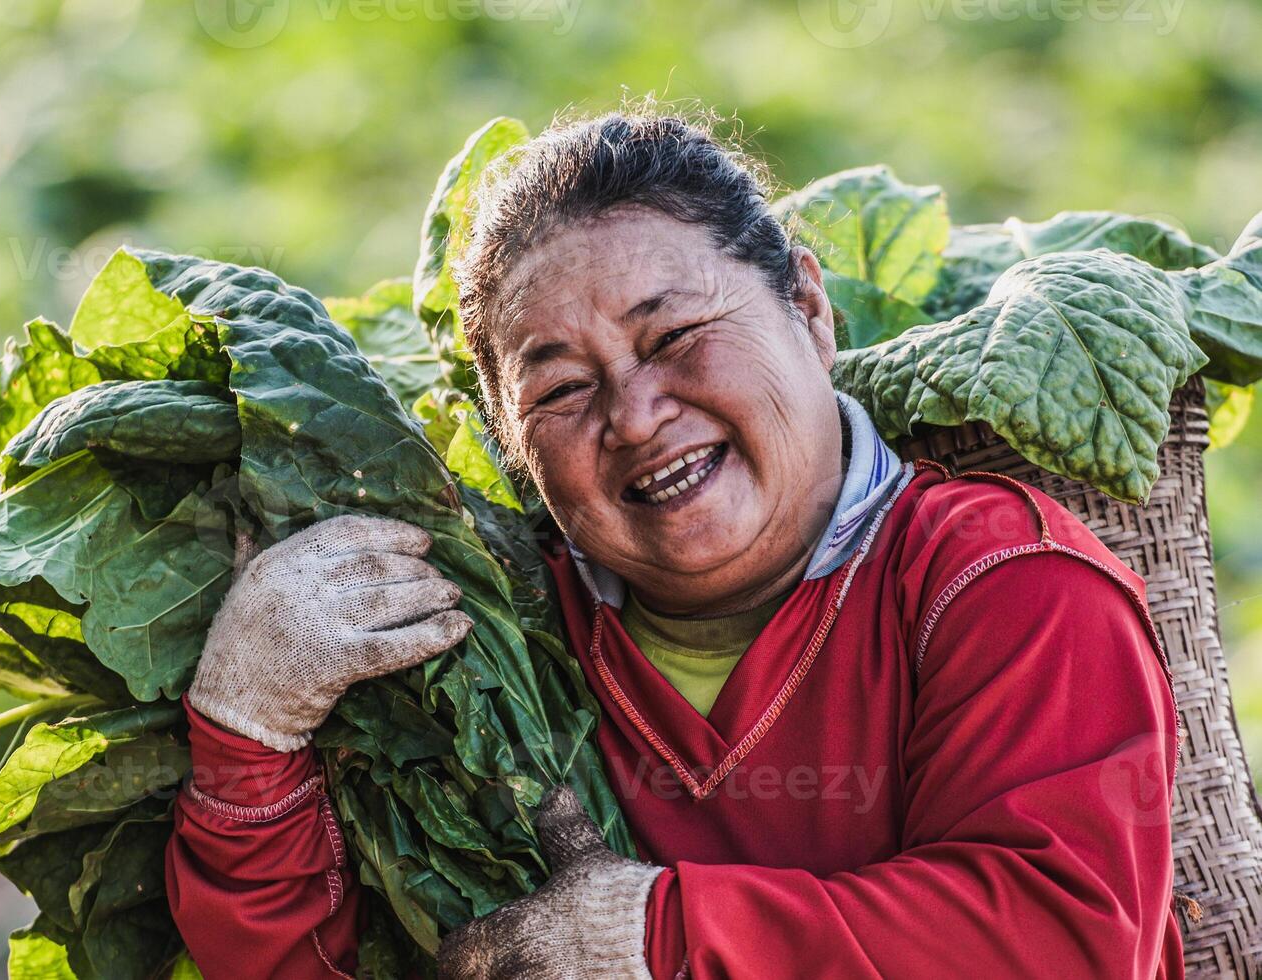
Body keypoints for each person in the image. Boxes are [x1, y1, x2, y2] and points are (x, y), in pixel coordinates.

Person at [161, 110, 1184, 979]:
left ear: (810, 311)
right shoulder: (497, 650)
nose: (636, 416)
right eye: (560, 391)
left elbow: (1063, 941)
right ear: (519, 455)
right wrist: (249, 733)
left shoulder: (1003, 585)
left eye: (673, 335)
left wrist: (662, 933)